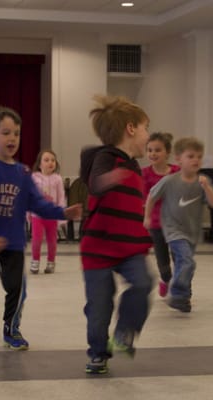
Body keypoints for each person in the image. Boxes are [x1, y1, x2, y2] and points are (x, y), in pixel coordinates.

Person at [0, 106, 81, 351]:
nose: (12, 138)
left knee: (18, 287)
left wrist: (62, 212)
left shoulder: (22, 172)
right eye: (5, 132)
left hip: (13, 242)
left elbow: (36, 202)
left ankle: (12, 329)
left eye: (16, 133)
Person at [80, 95, 154, 375]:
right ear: (131, 128)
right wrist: (111, 178)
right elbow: (95, 184)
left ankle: (125, 331)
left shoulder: (135, 167)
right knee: (99, 306)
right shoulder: (105, 157)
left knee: (144, 283)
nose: (148, 135)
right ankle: (98, 352)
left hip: (129, 246)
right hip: (98, 246)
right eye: (146, 127)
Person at [144, 137, 213, 313]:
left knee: (184, 263)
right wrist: (147, 217)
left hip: (191, 231)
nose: (196, 160)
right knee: (186, 261)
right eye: (191, 156)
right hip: (173, 229)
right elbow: (151, 196)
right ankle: (177, 293)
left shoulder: (203, 181)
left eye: (199, 156)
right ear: (179, 159)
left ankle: (183, 297)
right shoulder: (170, 181)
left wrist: (207, 188)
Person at [142, 132, 180, 298]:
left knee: (180, 258)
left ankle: (180, 290)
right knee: (162, 261)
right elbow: (144, 199)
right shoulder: (145, 174)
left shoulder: (177, 172)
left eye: (157, 150)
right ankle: (166, 279)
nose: (153, 154)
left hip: (176, 225)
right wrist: (146, 218)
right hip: (157, 225)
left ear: (167, 152)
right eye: (150, 150)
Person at [29, 149, 66, 274]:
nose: (50, 162)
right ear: (39, 164)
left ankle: (51, 262)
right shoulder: (34, 177)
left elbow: (61, 197)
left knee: (52, 240)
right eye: (46, 160)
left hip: (52, 215)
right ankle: (35, 261)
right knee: (36, 239)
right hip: (37, 215)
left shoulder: (58, 179)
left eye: (53, 160)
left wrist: (61, 215)